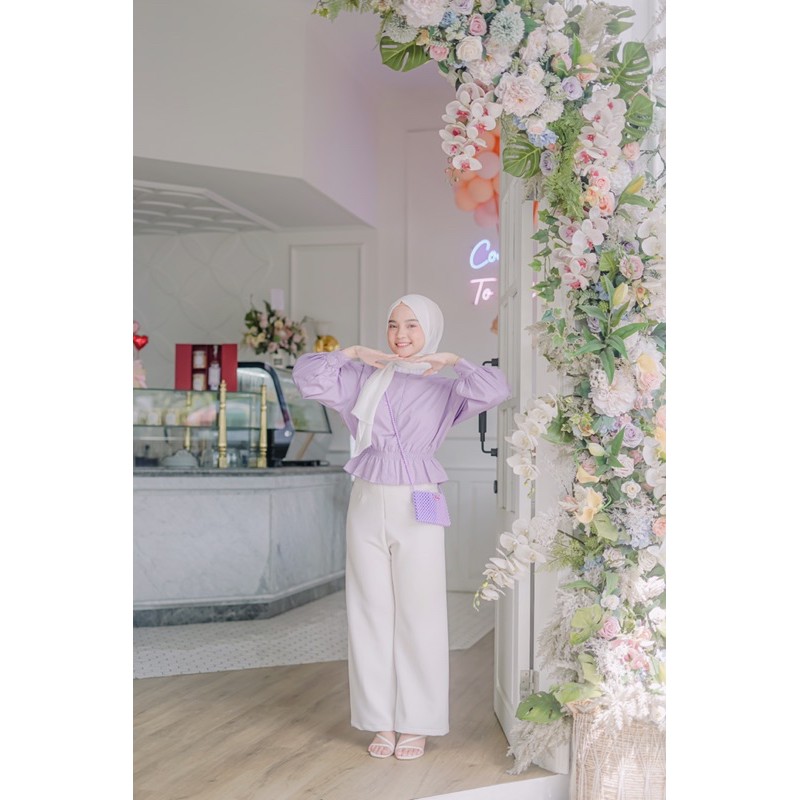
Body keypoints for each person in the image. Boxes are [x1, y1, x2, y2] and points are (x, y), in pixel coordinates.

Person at [292, 294, 509, 760]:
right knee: (368, 611)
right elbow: (308, 377)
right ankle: (381, 721)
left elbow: (495, 389)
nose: (400, 334)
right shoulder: (361, 378)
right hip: (366, 498)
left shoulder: (446, 388)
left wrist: (453, 361)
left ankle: (417, 722)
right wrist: (352, 353)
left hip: (420, 498)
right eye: (393, 324)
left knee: (420, 611)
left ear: (430, 330)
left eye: (412, 325)